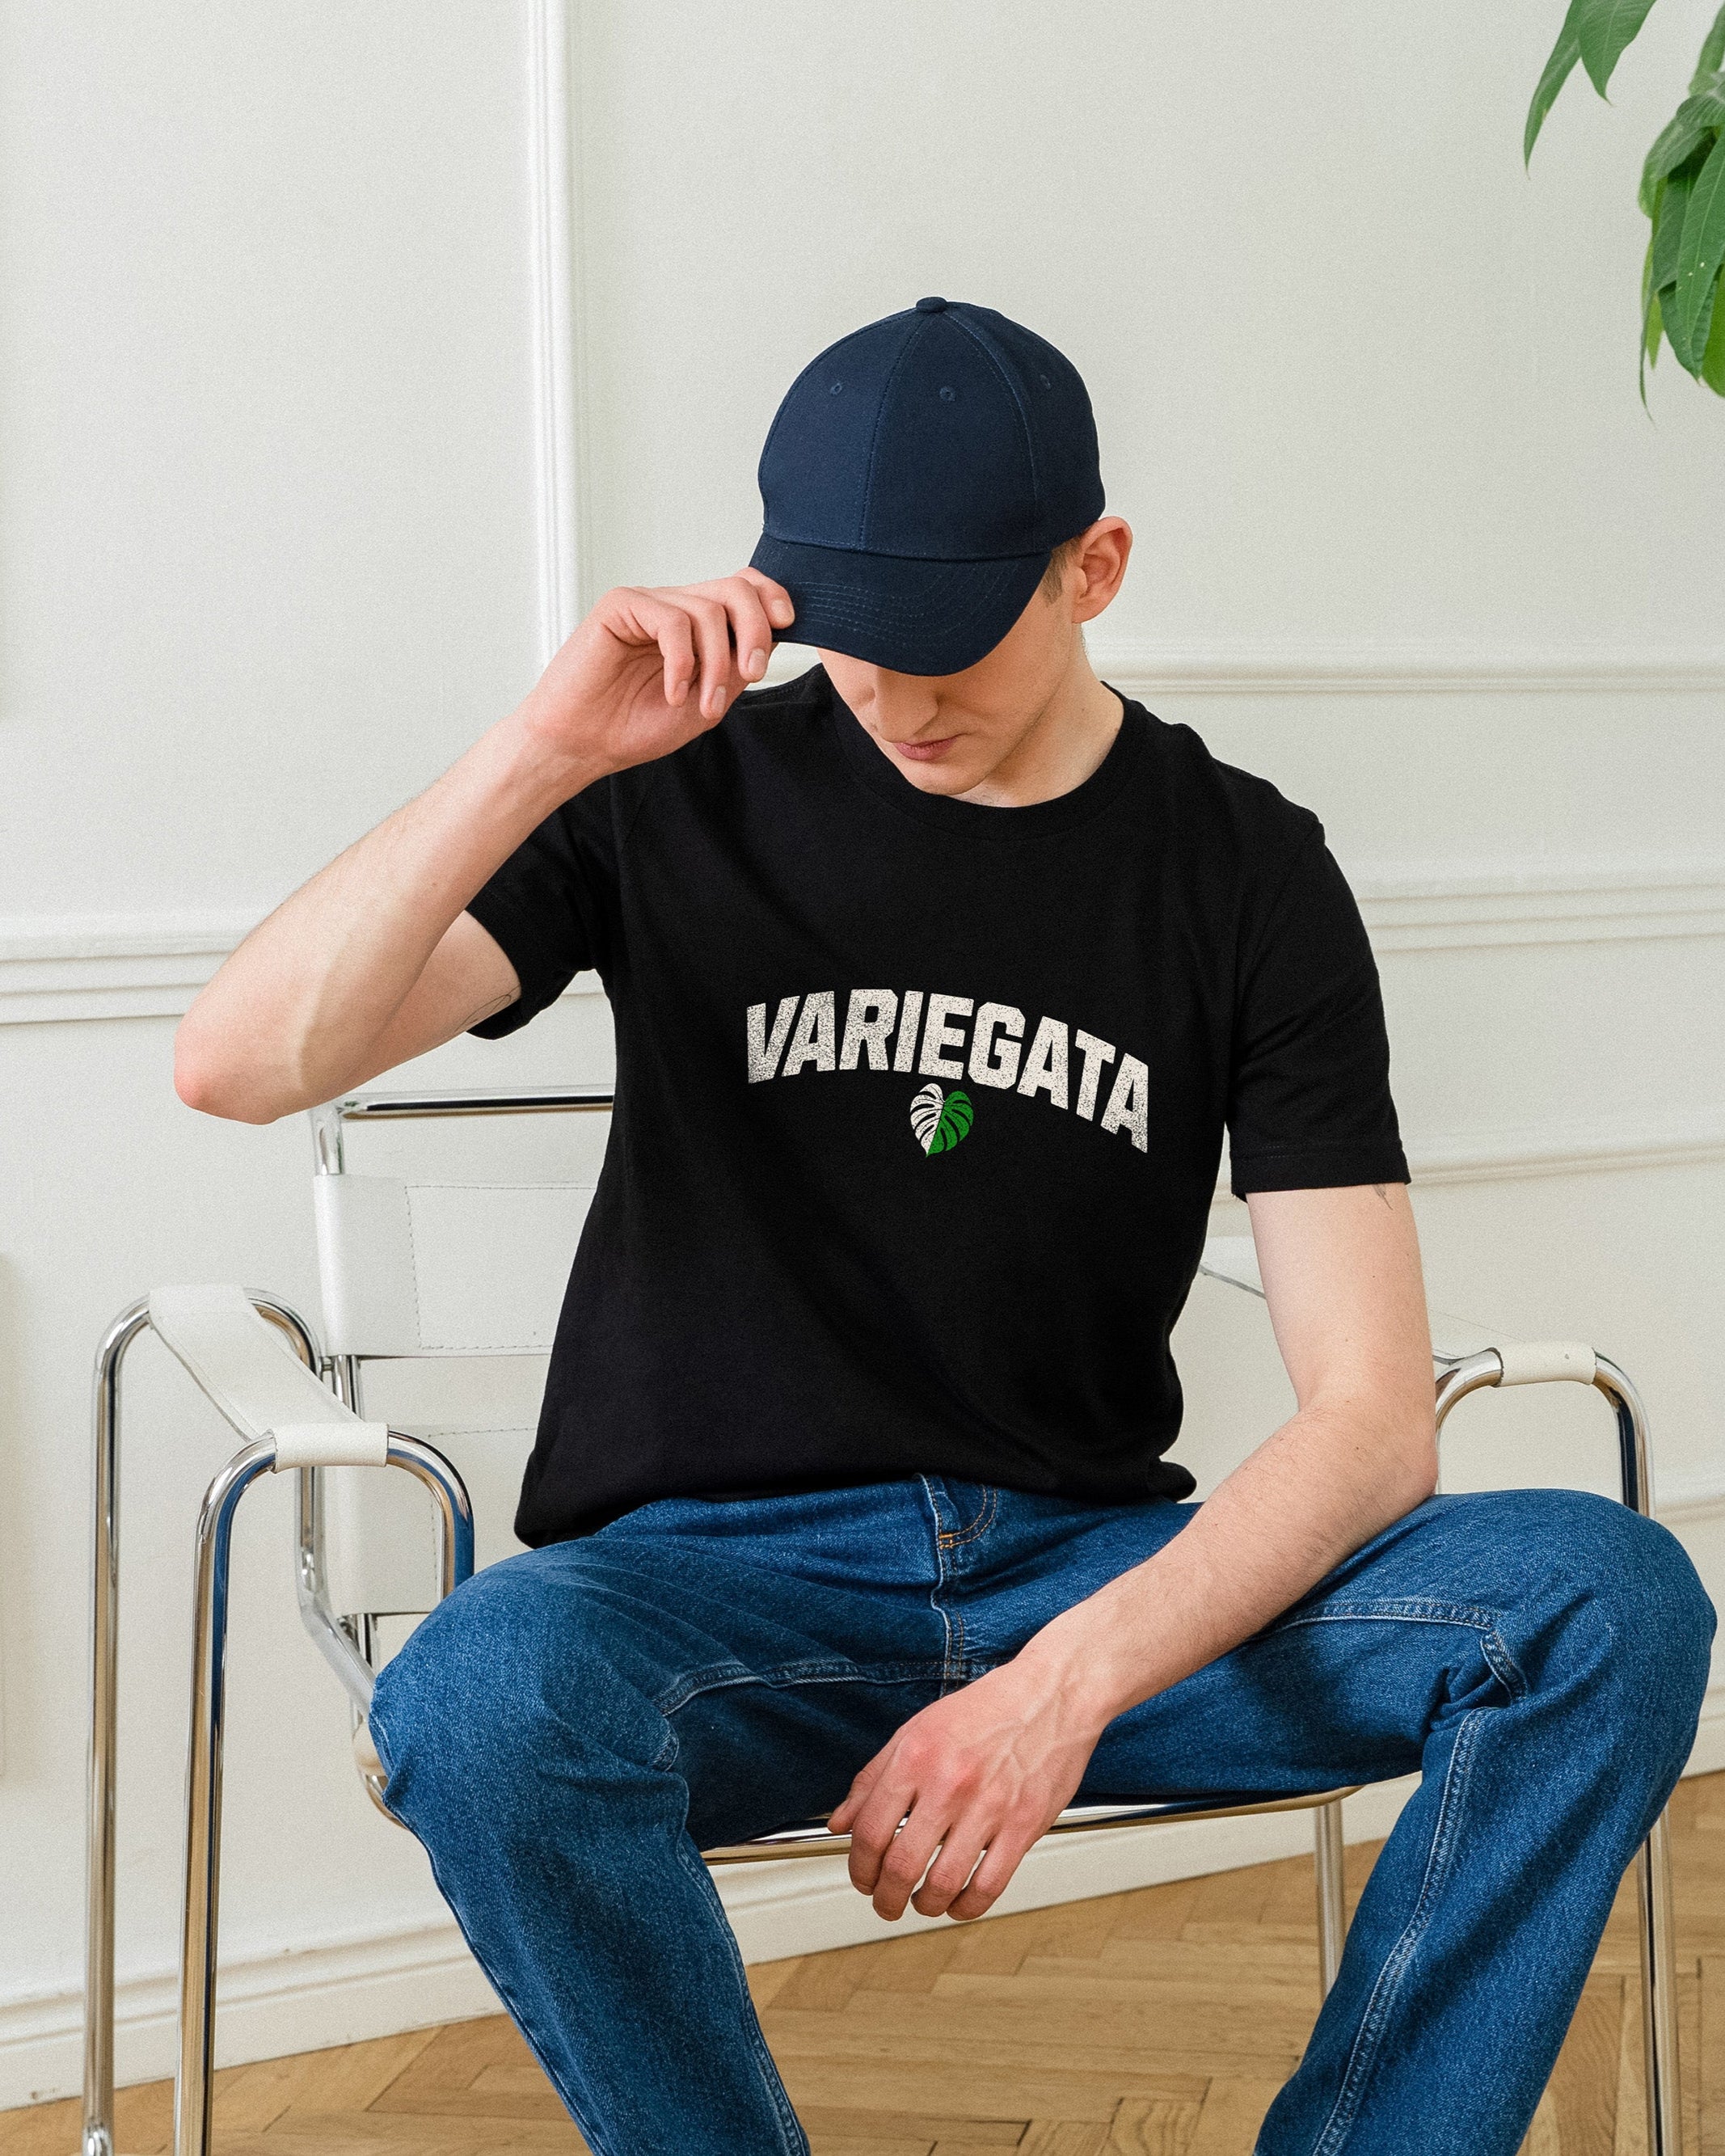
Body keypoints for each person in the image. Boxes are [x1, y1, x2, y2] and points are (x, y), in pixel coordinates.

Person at [176, 297, 1713, 2156]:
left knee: (1604, 1598)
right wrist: (538, 750)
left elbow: (1370, 1414)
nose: (897, 697)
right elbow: (237, 1062)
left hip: (1085, 1572)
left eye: (945, 639)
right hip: (707, 1597)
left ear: (1094, 568)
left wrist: (1054, 1688)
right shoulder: (667, 792)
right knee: (485, 1693)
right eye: (844, 640)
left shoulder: (1242, 868)